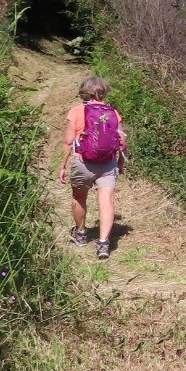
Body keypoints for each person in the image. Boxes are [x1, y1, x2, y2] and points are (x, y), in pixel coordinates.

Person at [58, 75, 126, 259]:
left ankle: (81, 234)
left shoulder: (76, 111)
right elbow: (122, 143)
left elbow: (68, 141)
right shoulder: (113, 112)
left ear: (84, 92)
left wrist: (62, 166)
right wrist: (120, 164)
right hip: (108, 163)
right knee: (106, 201)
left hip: (82, 163)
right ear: (103, 92)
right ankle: (103, 244)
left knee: (79, 197)